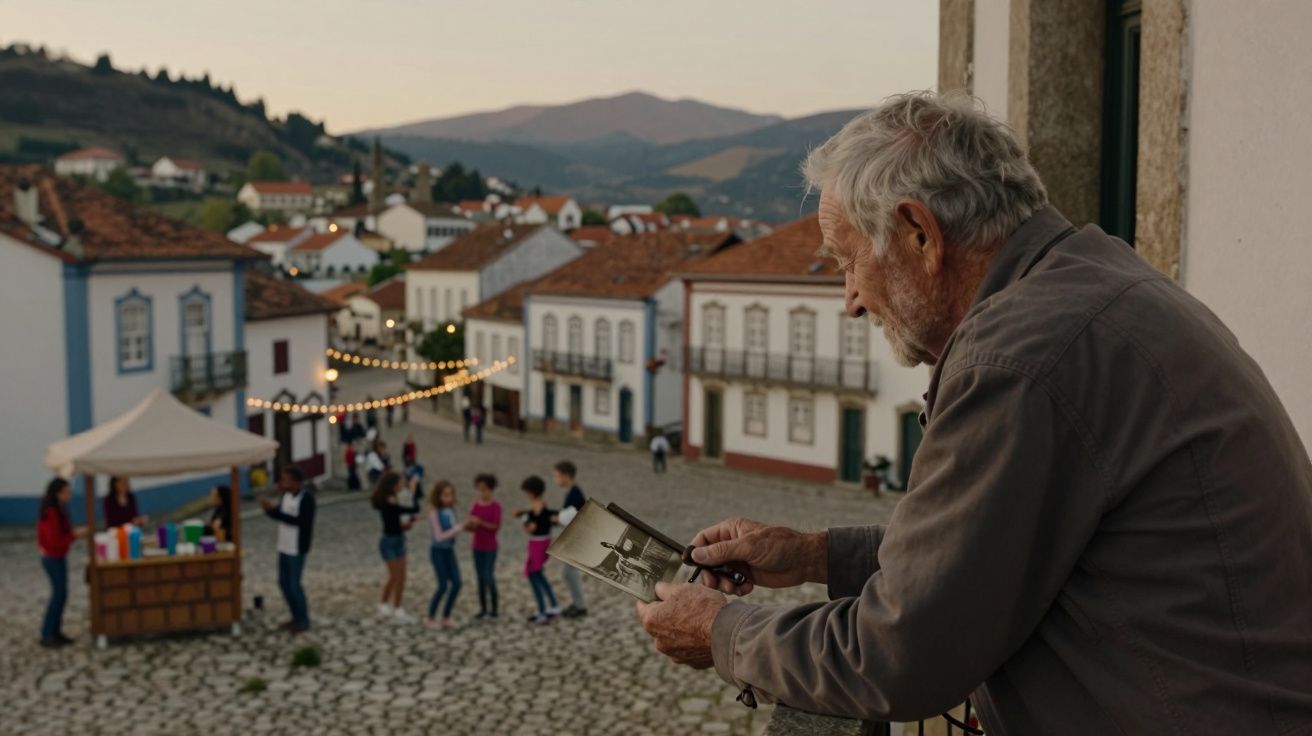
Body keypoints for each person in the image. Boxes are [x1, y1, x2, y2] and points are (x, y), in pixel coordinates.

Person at [635, 92, 1312, 732]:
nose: (850, 300)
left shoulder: (1020, 360)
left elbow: (900, 655)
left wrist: (722, 632)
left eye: (847, 263)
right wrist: (816, 554)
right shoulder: (1090, 282)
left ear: (918, 234)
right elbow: (992, 549)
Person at [260, 467, 315, 634]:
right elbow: (280, 514)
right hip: (283, 545)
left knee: (294, 584)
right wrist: (269, 510)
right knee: (283, 582)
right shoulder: (286, 496)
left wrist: (275, 513)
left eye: (286, 480)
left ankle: (303, 619)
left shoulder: (306, 499)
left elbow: (301, 522)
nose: (282, 483)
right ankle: (294, 615)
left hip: (297, 547)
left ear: (296, 481)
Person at [37, 477, 88, 647]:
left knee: (62, 594)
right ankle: (47, 633)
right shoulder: (51, 513)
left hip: (59, 555)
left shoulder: (60, 509)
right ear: (59, 493)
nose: (70, 494)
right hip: (52, 557)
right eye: (67, 491)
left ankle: (55, 631)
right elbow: (54, 540)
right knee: (58, 595)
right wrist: (75, 535)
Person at [371, 470, 421, 624]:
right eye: (400, 482)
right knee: (396, 577)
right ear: (393, 485)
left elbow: (397, 524)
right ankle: (394, 607)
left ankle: (388, 605)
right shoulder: (389, 503)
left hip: (398, 539)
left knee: (399, 577)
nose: (402, 485)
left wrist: (406, 525)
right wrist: (414, 490)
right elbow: (413, 509)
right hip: (389, 543)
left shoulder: (391, 500)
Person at [517, 475, 559, 625]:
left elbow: (532, 528)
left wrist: (524, 520)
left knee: (534, 575)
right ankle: (553, 605)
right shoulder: (543, 504)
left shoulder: (536, 506)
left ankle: (542, 611)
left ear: (531, 492)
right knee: (537, 574)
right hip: (543, 541)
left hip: (538, 543)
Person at [425, 479, 464, 629]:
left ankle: (446, 615)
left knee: (457, 583)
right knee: (442, 585)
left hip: (449, 551)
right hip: (438, 552)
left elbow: (453, 528)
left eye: (451, 495)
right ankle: (431, 616)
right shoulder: (435, 513)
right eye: (445, 495)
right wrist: (459, 528)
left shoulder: (451, 511)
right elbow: (439, 536)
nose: (448, 498)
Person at [552, 460, 587, 618]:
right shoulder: (573, 491)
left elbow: (571, 516)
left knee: (570, 573)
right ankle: (578, 604)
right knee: (569, 573)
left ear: (566, 476)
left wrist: (556, 519)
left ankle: (580, 606)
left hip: (577, 538)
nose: (556, 479)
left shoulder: (575, 493)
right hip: (574, 537)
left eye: (557, 476)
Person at [466, 473, 502, 620]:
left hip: (490, 547)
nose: (482, 492)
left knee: (488, 577)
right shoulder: (475, 505)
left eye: (485, 489)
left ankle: (494, 608)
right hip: (477, 545)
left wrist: (480, 522)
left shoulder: (496, 506)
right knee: (480, 578)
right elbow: (470, 525)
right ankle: (483, 608)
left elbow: (495, 526)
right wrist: (470, 524)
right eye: (480, 489)